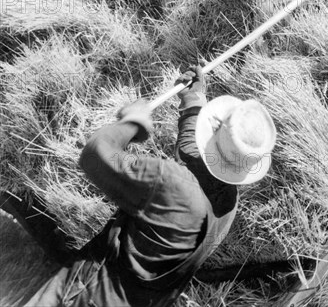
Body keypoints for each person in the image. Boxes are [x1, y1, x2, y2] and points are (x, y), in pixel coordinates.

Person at [24, 66, 277, 307]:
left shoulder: (170, 183)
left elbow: (95, 154)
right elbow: (194, 157)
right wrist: (193, 103)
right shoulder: (227, 203)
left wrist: (133, 121)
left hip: (87, 296)